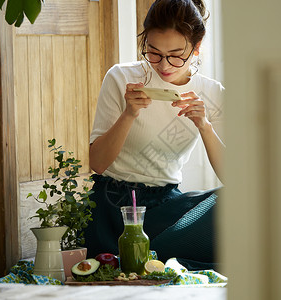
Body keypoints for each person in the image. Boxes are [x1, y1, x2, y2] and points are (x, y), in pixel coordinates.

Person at [84, 0, 224, 271]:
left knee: (235, 200)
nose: (164, 65)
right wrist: (128, 114)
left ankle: (156, 257)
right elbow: (97, 164)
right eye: (154, 52)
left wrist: (204, 125)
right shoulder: (121, 77)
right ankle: (156, 260)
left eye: (176, 54)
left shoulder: (211, 92)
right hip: (113, 207)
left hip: (165, 207)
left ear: (196, 47)